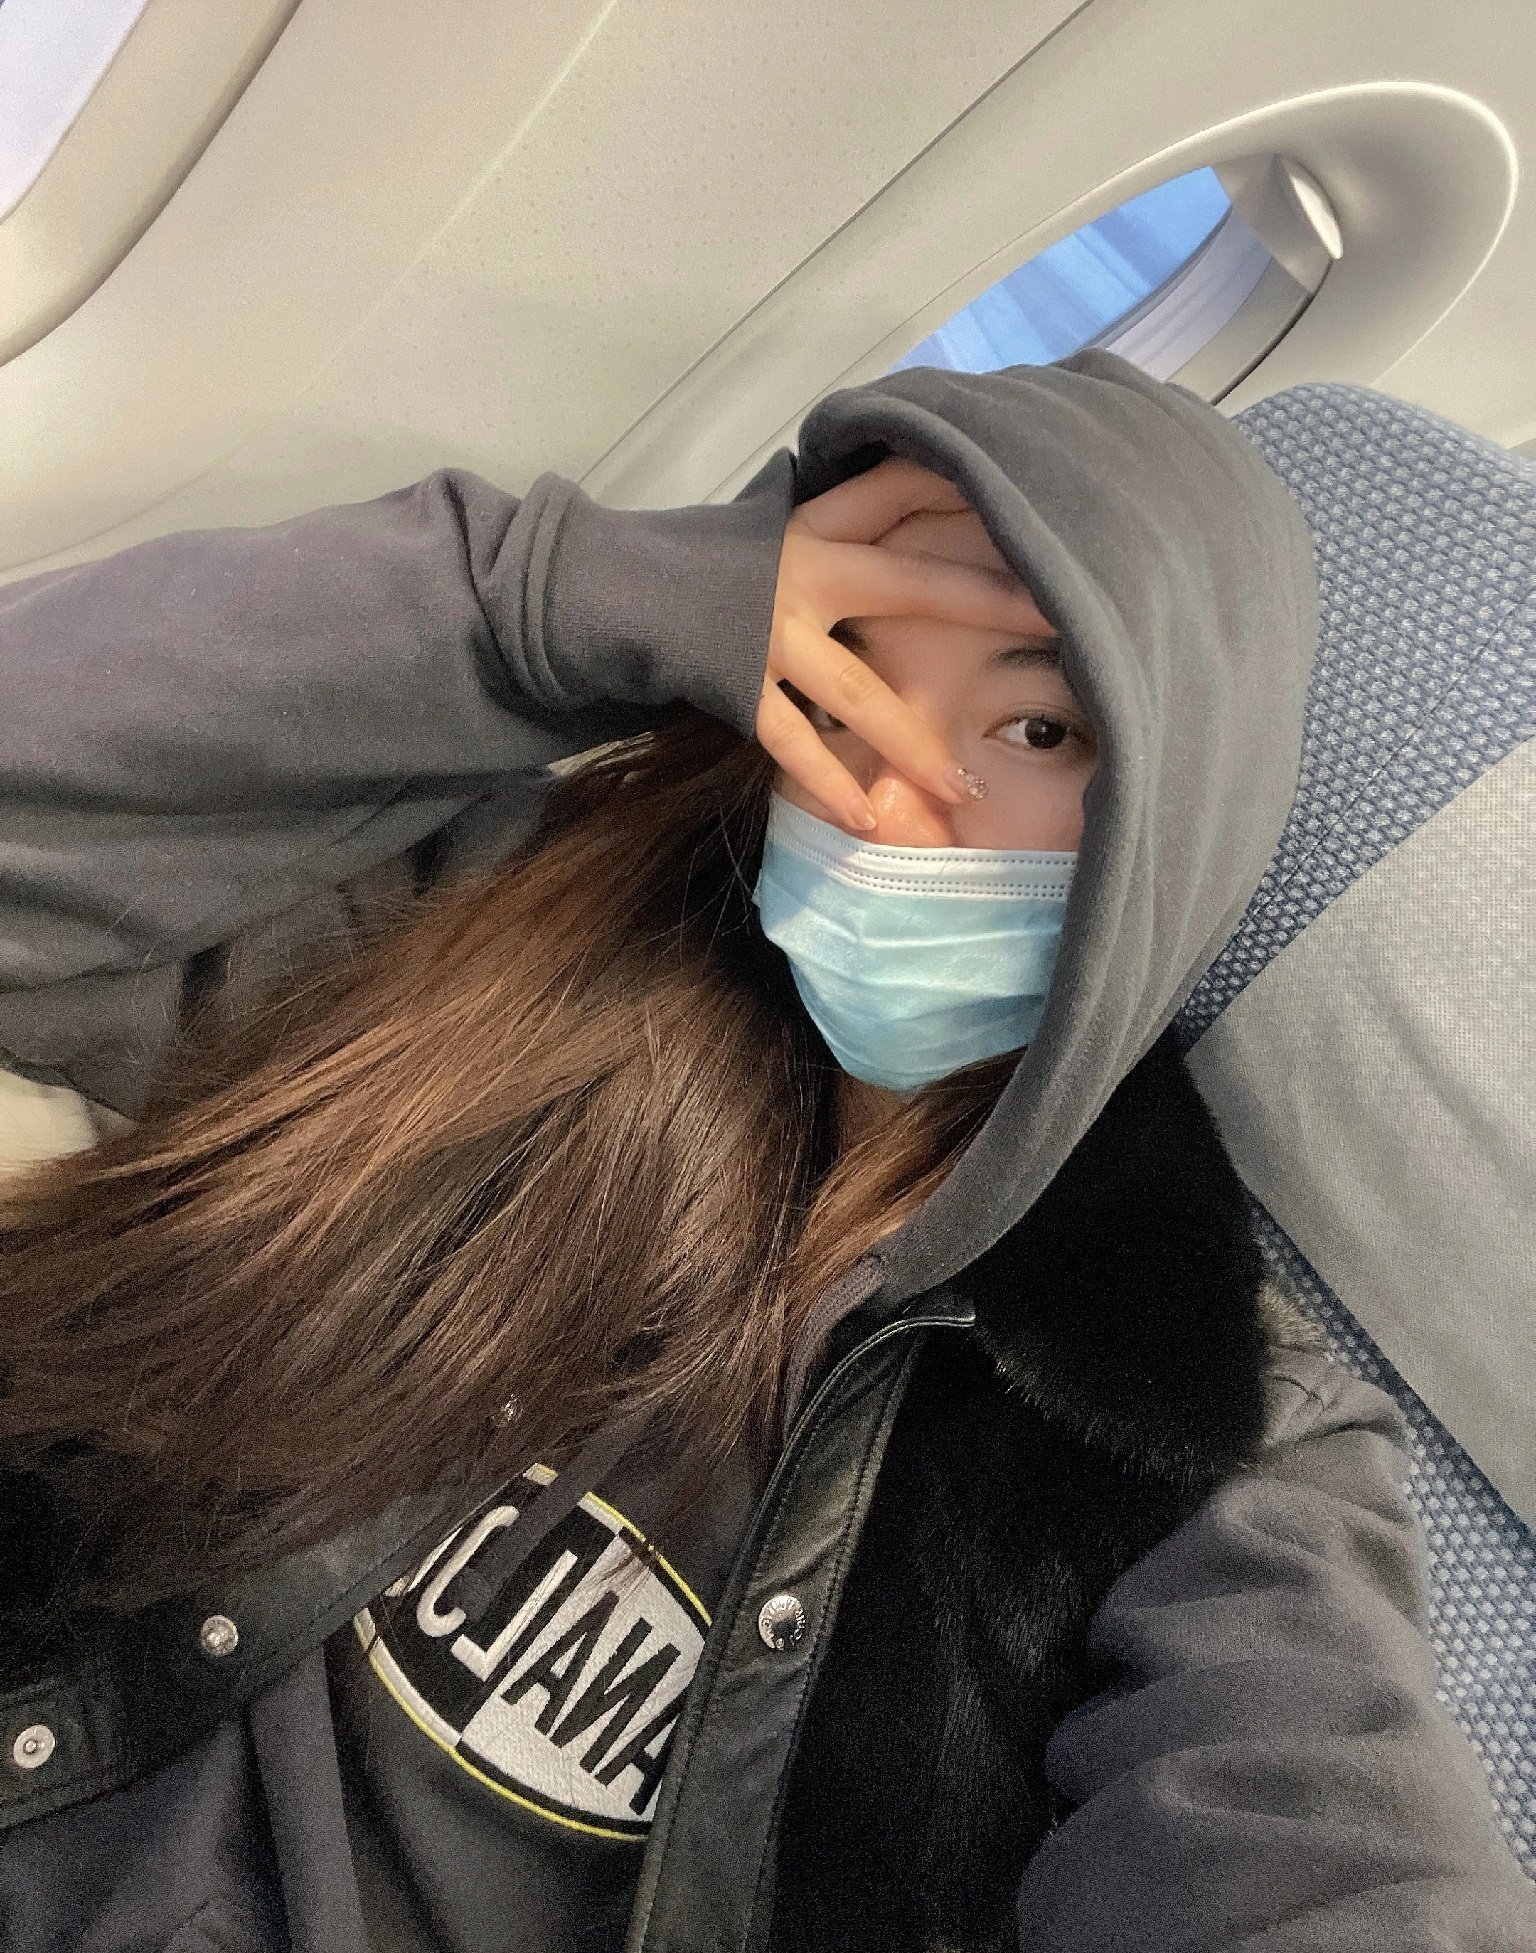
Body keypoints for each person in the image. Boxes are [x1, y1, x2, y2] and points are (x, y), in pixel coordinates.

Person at [0, 349, 1530, 1952]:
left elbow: (1311, 1850)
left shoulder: (1207, 1421)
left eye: (1033, 719)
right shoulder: (496, 941)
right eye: (858, 672)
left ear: (1175, 824)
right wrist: (557, 595)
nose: (893, 791)